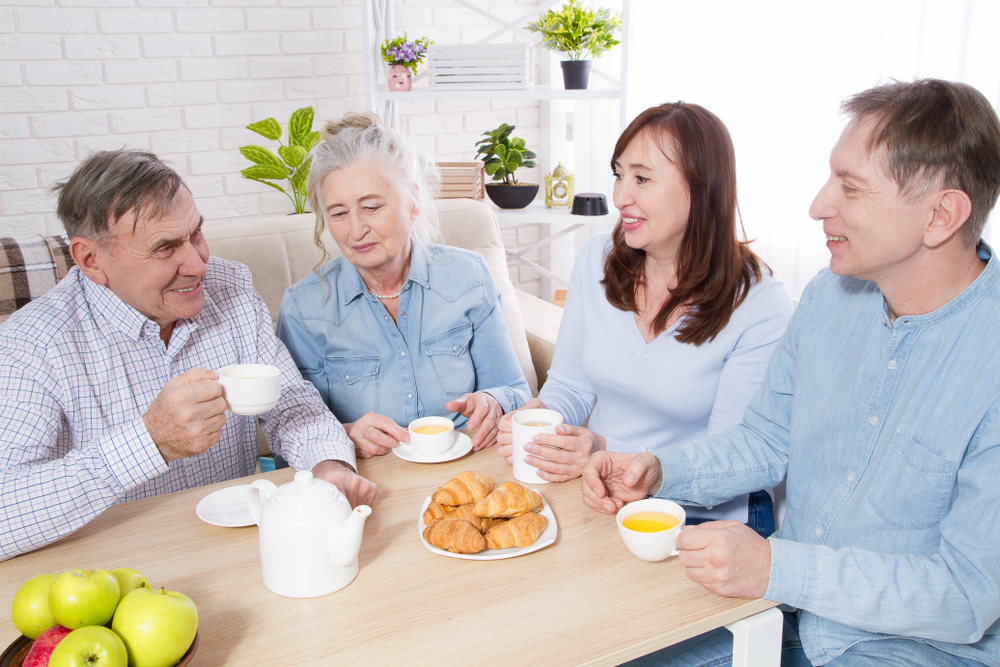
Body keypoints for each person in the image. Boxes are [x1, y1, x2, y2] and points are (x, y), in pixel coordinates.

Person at [584, 78, 1000, 666]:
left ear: (942, 215)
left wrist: (777, 567)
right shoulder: (831, 297)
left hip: (908, 649)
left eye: (849, 189)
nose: (817, 206)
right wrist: (658, 470)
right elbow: (767, 439)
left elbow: (965, 594)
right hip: (784, 614)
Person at [0, 149, 377, 562]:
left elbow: (290, 404)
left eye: (196, 233)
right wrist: (149, 442)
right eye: (165, 248)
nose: (198, 264)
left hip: (234, 550)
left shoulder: (229, 286)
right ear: (91, 260)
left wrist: (328, 464)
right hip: (104, 571)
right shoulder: (31, 345)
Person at [497, 102, 793, 534]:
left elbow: (732, 456)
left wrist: (605, 449)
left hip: (701, 519)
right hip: (599, 495)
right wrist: (545, 423)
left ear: (701, 187)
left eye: (641, 178)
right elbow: (570, 385)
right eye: (618, 174)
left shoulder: (761, 302)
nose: (619, 197)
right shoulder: (596, 260)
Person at [276, 113, 531, 458]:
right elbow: (291, 431)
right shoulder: (304, 308)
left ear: (413, 200)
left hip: (468, 469)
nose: (355, 230)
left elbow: (515, 391)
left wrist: (493, 402)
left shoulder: (469, 276)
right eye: (338, 214)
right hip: (371, 484)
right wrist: (346, 433)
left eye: (371, 207)